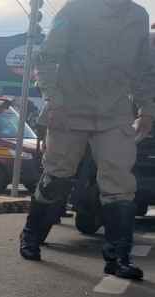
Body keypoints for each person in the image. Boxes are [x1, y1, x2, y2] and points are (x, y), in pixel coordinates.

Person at [19, 0, 155, 280]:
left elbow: (144, 68)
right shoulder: (75, 9)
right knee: (57, 175)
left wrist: (147, 109)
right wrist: (52, 100)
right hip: (69, 107)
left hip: (114, 111)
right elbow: (47, 57)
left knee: (120, 182)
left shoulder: (138, 16)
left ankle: (118, 257)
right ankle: (32, 235)